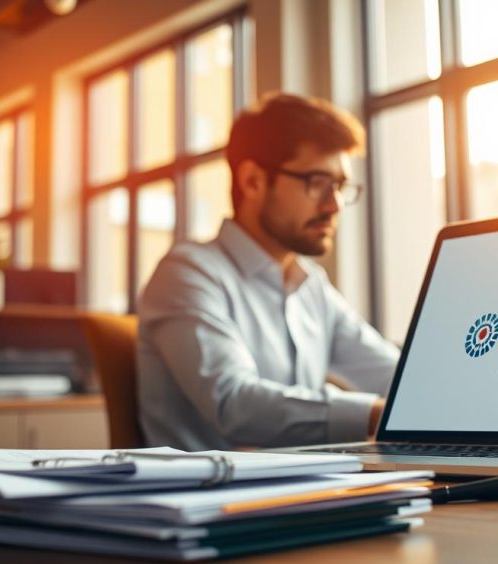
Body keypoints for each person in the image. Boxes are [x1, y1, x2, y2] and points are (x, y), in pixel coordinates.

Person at [136, 93, 399, 450]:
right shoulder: (187, 273)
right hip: (211, 496)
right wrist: (373, 414)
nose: (334, 204)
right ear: (253, 182)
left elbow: (394, 375)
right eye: (318, 182)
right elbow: (234, 402)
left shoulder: (311, 286)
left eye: (340, 186)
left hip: (303, 491)